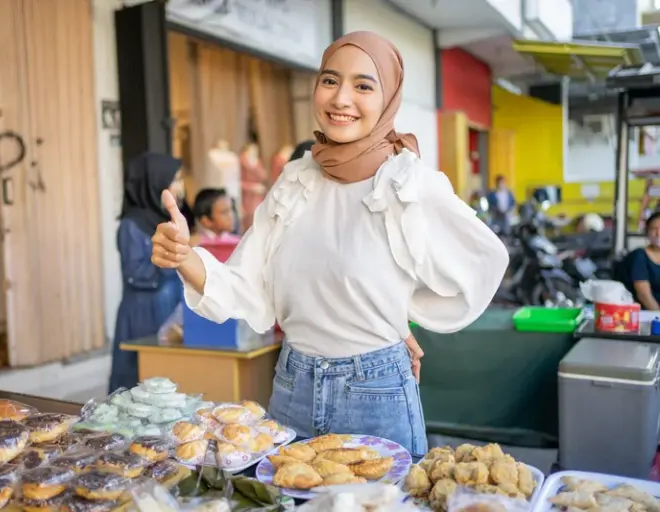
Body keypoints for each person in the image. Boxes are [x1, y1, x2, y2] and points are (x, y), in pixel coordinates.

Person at [150, 31, 508, 454]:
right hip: (291, 385)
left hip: (375, 393)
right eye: (329, 80)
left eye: (363, 85)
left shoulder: (408, 183)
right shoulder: (295, 180)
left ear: (388, 97)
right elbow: (250, 286)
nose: (341, 98)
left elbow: (482, 263)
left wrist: (397, 316)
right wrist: (186, 257)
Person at [108, 152, 186, 393]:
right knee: (140, 384)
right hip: (143, 315)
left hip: (168, 309)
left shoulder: (163, 220)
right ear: (155, 183)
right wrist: (170, 256)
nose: (180, 186)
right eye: (175, 179)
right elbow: (138, 274)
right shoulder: (131, 225)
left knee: (169, 384)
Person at [631, 211, 660, 310]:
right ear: (647, 232)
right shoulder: (640, 256)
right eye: (654, 229)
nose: (658, 233)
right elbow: (644, 295)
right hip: (649, 315)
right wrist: (658, 315)